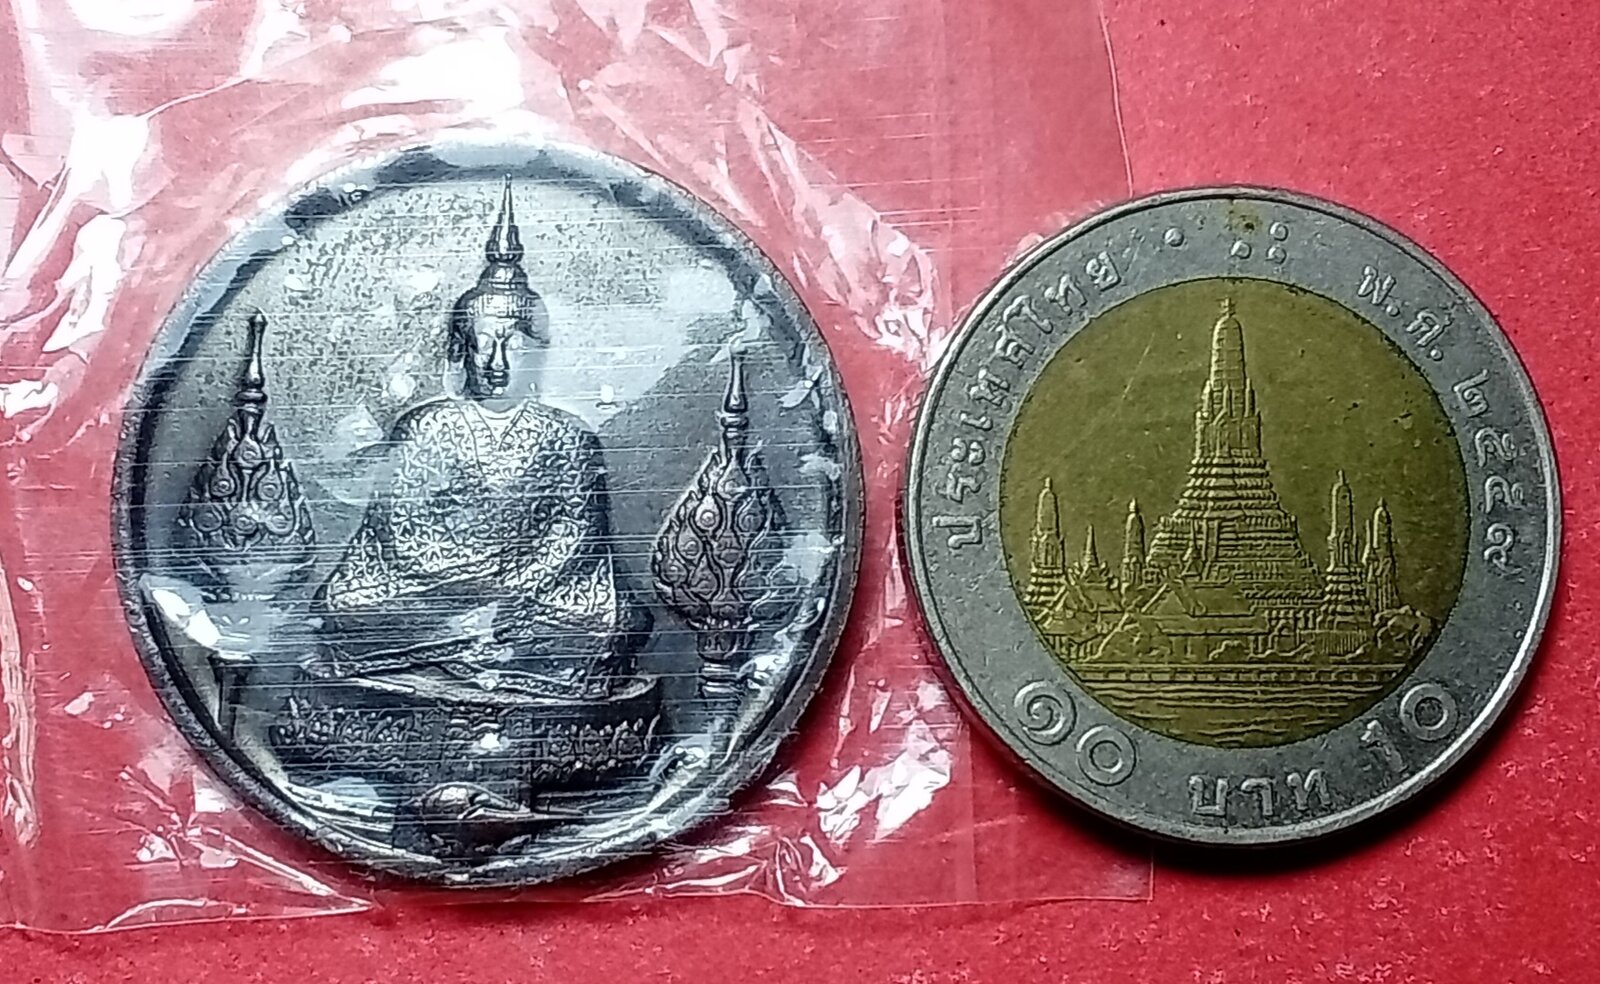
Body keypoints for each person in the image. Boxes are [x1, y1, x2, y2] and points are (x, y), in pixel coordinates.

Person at [314, 178, 648, 700]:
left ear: (536, 353)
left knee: (607, 625)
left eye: (513, 346)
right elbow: (398, 533)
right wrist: (472, 591)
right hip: (432, 592)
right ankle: (473, 647)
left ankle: (458, 648)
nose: (495, 363)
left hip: (534, 595)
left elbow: (574, 537)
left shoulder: (568, 436)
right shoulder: (424, 426)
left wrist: (513, 589)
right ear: (460, 350)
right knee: (346, 607)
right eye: (482, 344)